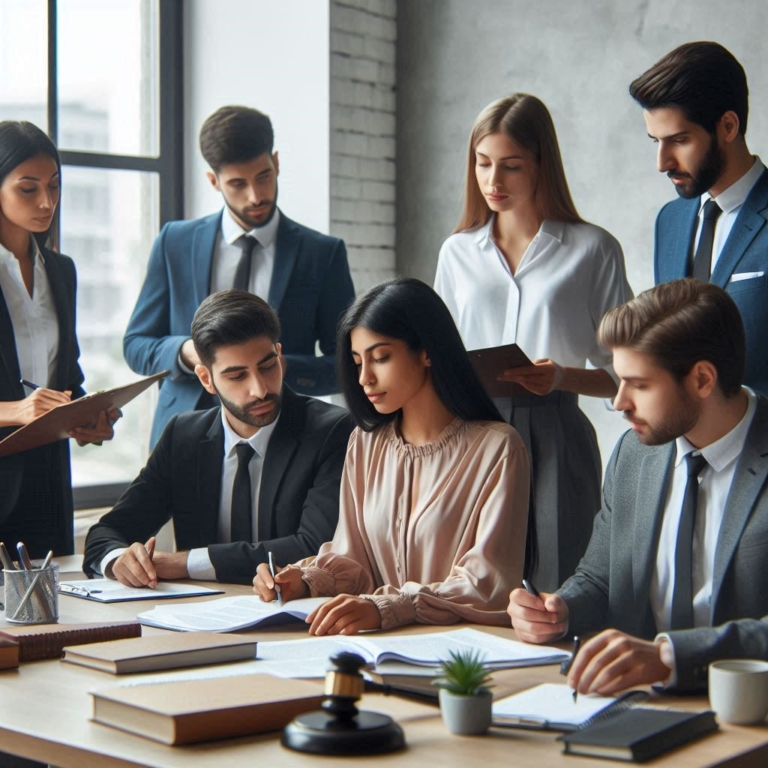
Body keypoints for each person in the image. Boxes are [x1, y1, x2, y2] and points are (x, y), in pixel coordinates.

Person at [507, 279, 768, 695]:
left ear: (702, 379)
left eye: (639, 384)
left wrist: (670, 655)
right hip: (637, 705)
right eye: (620, 379)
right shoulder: (635, 452)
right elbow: (601, 578)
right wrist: (560, 610)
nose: (619, 401)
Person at [253, 277, 530, 635]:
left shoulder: (498, 448)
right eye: (356, 362)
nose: (365, 378)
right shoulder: (365, 444)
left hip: (463, 653)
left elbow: (487, 584)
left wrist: (389, 607)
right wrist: (305, 580)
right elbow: (354, 558)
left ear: (427, 351)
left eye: (380, 357)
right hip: (374, 646)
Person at [434, 94, 632, 591]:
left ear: (542, 165)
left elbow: (626, 375)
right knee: (472, 585)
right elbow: (436, 358)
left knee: (559, 587)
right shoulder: (457, 253)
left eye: (511, 166)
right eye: (482, 164)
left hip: (557, 434)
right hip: (474, 435)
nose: (493, 182)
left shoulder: (593, 249)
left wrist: (560, 377)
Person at [84, 290, 353, 585]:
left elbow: (313, 547)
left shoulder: (332, 431)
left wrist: (184, 563)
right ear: (206, 379)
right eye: (237, 376)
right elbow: (105, 536)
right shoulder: (183, 436)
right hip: (197, 620)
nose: (260, 389)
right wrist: (118, 561)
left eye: (267, 366)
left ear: (279, 354)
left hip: (296, 619)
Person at [124, 105, 356, 447]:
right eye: (237, 184)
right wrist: (186, 352)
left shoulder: (322, 253)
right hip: (183, 433)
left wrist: (279, 368)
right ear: (213, 181)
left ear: (276, 162)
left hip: (285, 435)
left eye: (263, 176)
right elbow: (136, 345)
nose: (255, 196)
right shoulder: (175, 242)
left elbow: (347, 361)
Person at [0, 121, 120, 557]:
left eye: (54, 186)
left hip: (47, 482)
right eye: (27, 189)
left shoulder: (61, 270)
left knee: (50, 619)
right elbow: (25, 402)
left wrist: (87, 415)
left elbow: (67, 374)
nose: (47, 202)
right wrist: (16, 410)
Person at [629, 41, 768, 394]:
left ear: (728, 126)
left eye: (678, 140)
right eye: (655, 141)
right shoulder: (670, 221)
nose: (662, 162)